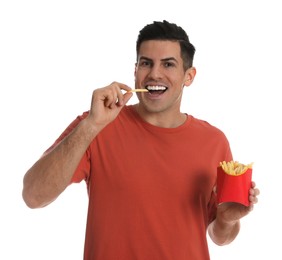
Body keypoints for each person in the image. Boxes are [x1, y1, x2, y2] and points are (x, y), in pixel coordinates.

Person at [22, 20, 260, 260]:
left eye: (168, 64)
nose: (154, 73)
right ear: (135, 70)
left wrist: (227, 220)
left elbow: (220, 237)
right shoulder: (98, 124)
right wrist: (91, 125)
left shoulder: (214, 141)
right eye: (146, 63)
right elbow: (33, 195)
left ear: (189, 76)